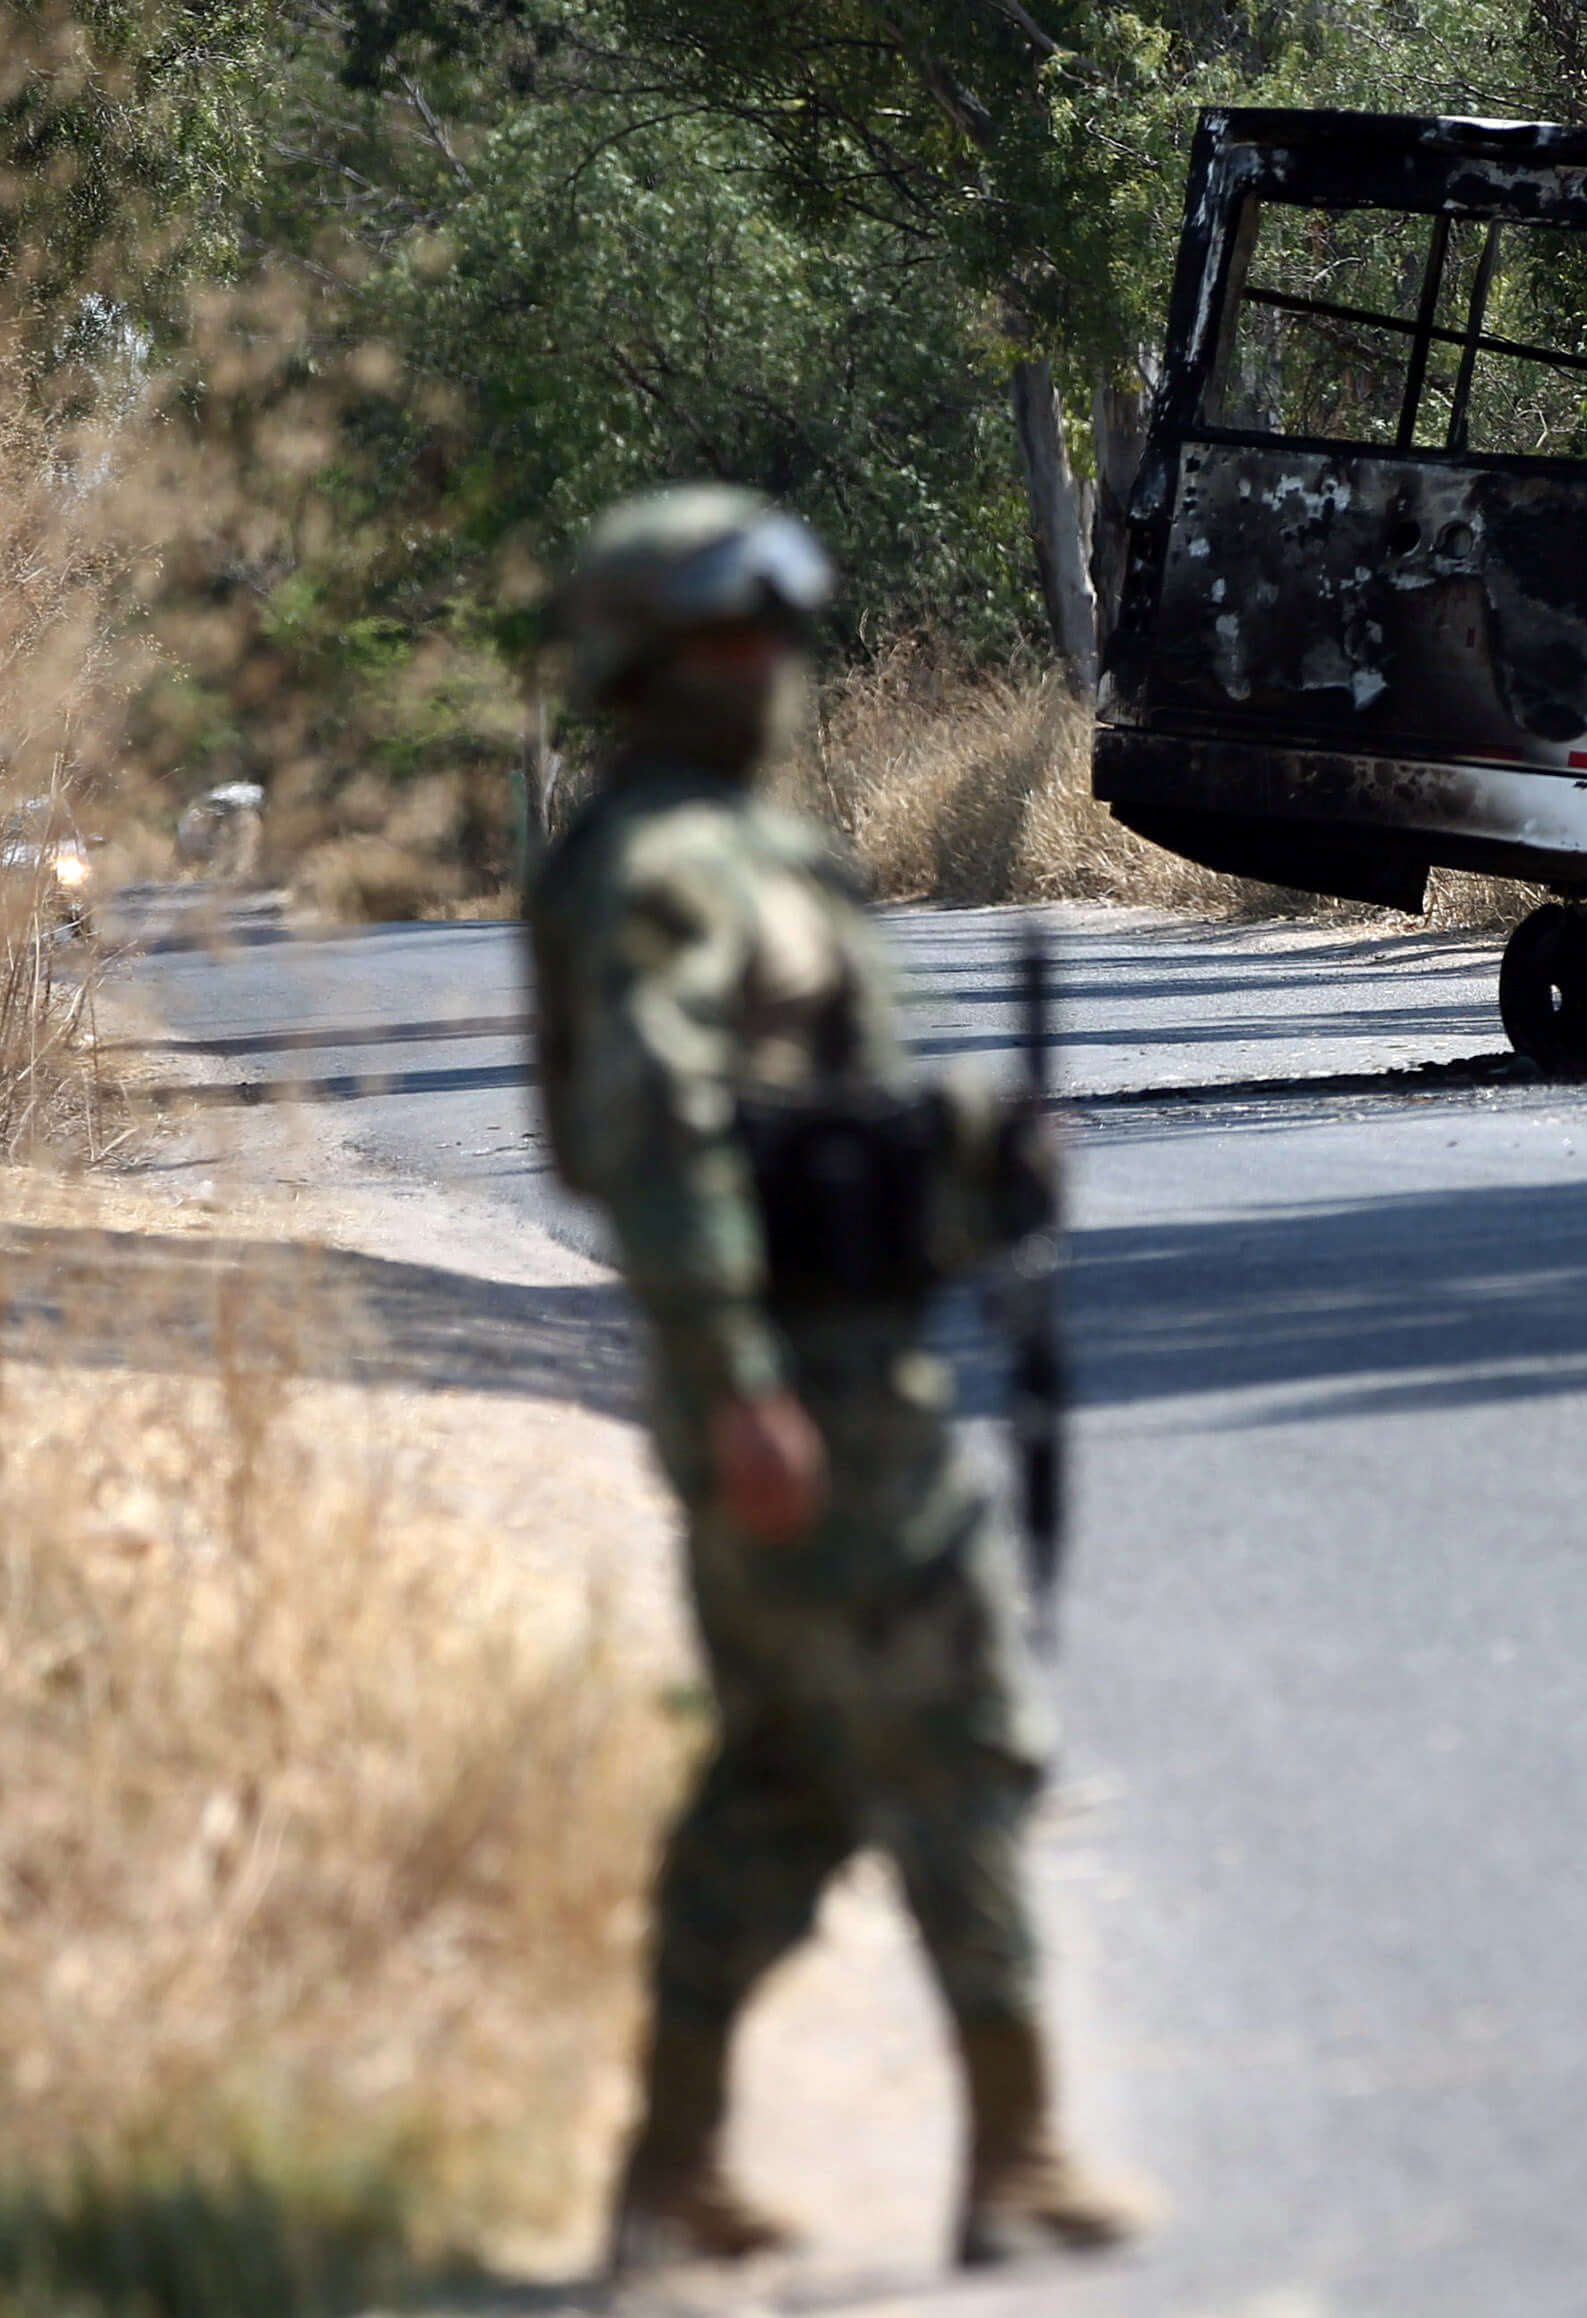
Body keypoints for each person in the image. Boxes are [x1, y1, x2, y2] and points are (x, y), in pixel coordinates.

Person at [526, 485, 1143, 2277]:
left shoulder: (744, 850)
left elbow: (827, 1130)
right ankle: (1014, 2151)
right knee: (963, 1741)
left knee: (785, 1785)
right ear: (654, 661)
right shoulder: (658, 868)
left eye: (779, 633)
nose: (773, 669)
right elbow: (657, 1142)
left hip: (836, 1361)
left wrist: (973, 1156)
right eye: (735, 635)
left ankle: (669, 2171)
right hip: (806, 1395)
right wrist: (739, 1389)